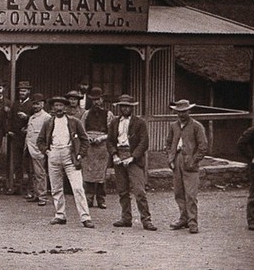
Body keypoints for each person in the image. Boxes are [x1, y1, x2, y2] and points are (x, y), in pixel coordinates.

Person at [37, 96, 94, 228]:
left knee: (78, 187)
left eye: (61, 106)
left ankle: (85, 217)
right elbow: (40, 141)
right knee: (56, 188)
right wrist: (47, 151)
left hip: (70, 155)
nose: (58, 108)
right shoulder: (48, 123)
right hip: (54, 154)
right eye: (56, 106)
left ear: (66, 107)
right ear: (52, 108)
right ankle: (60, 215)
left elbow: (85, 139)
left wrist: (80, 154)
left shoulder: (74, 122)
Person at [107, 94, 156, 230]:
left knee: (139, 191)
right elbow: (110, 141)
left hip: (134, 158)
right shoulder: (114, 123)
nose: (125, 109)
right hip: (119, 157)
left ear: (132, 108)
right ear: (119, 108)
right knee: (122, 190)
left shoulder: (139, 123)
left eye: (128, 106)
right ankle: (126, 218)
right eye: (123, 106)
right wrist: (114, 155)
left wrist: (133, 157)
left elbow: (144, 142)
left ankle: (146, 220)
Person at [164, 99, 208, 234]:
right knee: (178, 192)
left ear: (189, 111)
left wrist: (194, 161)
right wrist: (170, 157)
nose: (181, 115)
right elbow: (168, 142)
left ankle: (193, 222)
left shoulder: (197, 126)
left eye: (183, 112)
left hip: (190, 161)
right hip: (177, 159)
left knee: (191, 194)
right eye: (178, 112)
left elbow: (203, 146)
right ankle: (183, 218)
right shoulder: (173, 126)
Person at [80, 87, 112, 209]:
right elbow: (81, 129)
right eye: (93, 100)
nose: (96, 102)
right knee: (88, 172)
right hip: (89, 147)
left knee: (100, 174)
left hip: (102, 146)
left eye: (98, 99)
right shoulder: (86, 114)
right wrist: (87, 137)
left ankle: (101, 199)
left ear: (102, 99)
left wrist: (102, 138)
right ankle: (88, 199)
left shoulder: (108, 114)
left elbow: (112, 132)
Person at [24, 93, 50, 206]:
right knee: (32, 173)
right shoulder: (32, 117)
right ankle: (36, 194)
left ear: (43, 104)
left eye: (38, 103)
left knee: (40, 173)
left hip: (38, 149)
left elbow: (47, 136)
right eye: (34, 104)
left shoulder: (46, 118)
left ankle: (42, 196)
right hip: (29, 148)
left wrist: (44, 149)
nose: (35, 106)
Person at [10, 80, 33, 194]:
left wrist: (27, 117)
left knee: (27, 163)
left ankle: (28, 187)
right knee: (17, 163)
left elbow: (36, 120)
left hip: (27, 137)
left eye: (24, 90)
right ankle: (17, 186)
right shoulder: (15, 104)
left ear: (28, 91)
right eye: (20, 91)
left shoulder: (32, 105)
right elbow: (10, 118)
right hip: (16, 137)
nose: (22, 93)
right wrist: (9, 130)